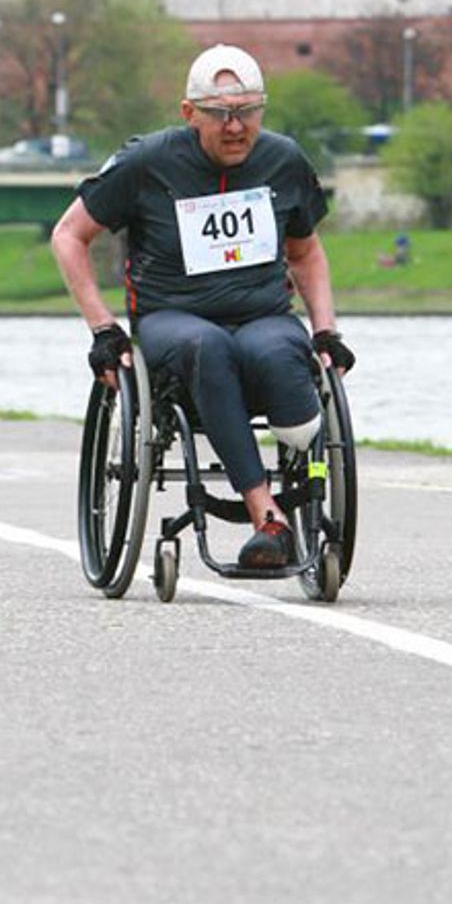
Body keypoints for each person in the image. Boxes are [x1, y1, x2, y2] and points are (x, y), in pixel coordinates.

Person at [50, 43, 355, 569]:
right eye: (220, 115)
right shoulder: (147, 162)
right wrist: (103, 330)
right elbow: (68, 235)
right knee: (207, 347)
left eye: (247, 113)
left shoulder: (283, 160)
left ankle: (301, 473)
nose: (235, 128)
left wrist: (326, 331)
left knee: (285, 350)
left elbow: (306, 254)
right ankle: (268, 517)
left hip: (261, 317)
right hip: (175, 320)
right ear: (189, 113)